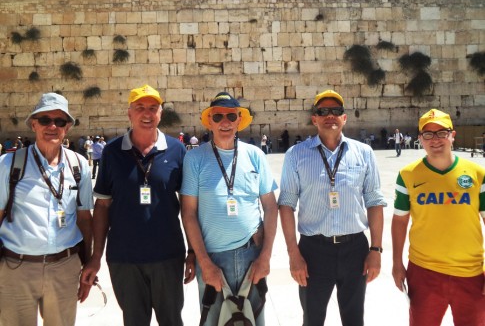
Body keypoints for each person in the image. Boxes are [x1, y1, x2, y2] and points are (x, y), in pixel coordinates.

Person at [80, 84, 194, 326]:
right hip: (124, 258)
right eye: (140, 107)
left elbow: (189, 208)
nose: (147, 113)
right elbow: (102, 207)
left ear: (161, 113)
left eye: (153, 108)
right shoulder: (112, 153)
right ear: (129, 113)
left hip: (168, 256)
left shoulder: (176, 150)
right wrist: (95, 256)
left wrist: (193, 252)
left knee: (172, 321)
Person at [278, 89, 386, 326]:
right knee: (313, 318)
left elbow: (375, 202)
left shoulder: (364, 153)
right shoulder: (296, 155)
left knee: (354, 319)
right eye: (323, 111)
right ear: (314, 118)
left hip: (355, 249)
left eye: (336, 111)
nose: (330, 116)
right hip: (313, 251)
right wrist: (293, 254)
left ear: (344, 118)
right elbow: (286, 205)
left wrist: (376, 250)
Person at [180, 91, 278, 326]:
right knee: (212, 321)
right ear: (209, 122)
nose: (225, 122)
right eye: (218, 116)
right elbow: (189, 214)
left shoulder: (255, 155)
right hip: (212, 259)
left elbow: (271, 208)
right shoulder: (195, 159)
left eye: (231, 116)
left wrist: (265, 256)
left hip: (251, 256)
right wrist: (204, 263)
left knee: (254, 320)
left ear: (238, 121)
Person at [0, 92, 94, 326]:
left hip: (64, 267)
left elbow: (84, 218)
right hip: (16, 268)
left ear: (67, 128)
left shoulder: (79, 165)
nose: (52, 126)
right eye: (45, 120)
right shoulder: (8, 164)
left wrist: (88, 263)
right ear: (33, 124)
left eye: (59, 121)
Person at [391, 109, 485, 326]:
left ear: (452, 135)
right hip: (424, 273)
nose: (435, 140)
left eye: (441, 133)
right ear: (420, 139)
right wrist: (397, 263)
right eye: (428, 134)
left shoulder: (476, 174)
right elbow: (400, 220)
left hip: (470, 273)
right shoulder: (408, 175)